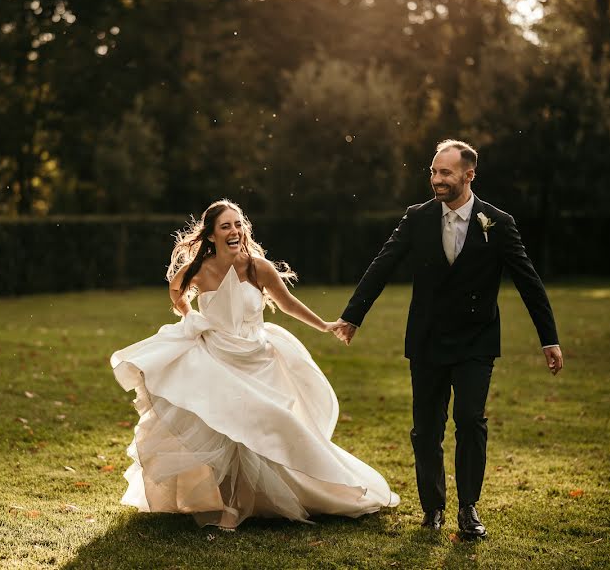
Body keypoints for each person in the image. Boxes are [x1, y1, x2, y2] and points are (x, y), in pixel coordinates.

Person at [111, 199, 399, 530]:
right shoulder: (199, 270)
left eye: (238, 224)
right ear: (211, 236)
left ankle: (291, 491)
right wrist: (191, 317)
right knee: (223, 428)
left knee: (267, 423)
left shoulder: (257, 267)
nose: (234, 231)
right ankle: (231, 505)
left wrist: (325, 325)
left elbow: (287, 303)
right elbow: (176, 291)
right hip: (216, 355)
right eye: (225, 226)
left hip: (257, 357)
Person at [331, 139, 563, 539]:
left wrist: (549, 339)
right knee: (425, 429)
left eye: (445, 173)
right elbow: (382, 264)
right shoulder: (417, 217)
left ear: (468, 175)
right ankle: (433, 508)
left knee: (470, 420)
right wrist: (352, 316)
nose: (436, 179)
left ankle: (468, 508)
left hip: (476, 340)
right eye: (434, 172)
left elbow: (529, 282)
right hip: (428, 339)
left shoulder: (498, 223)